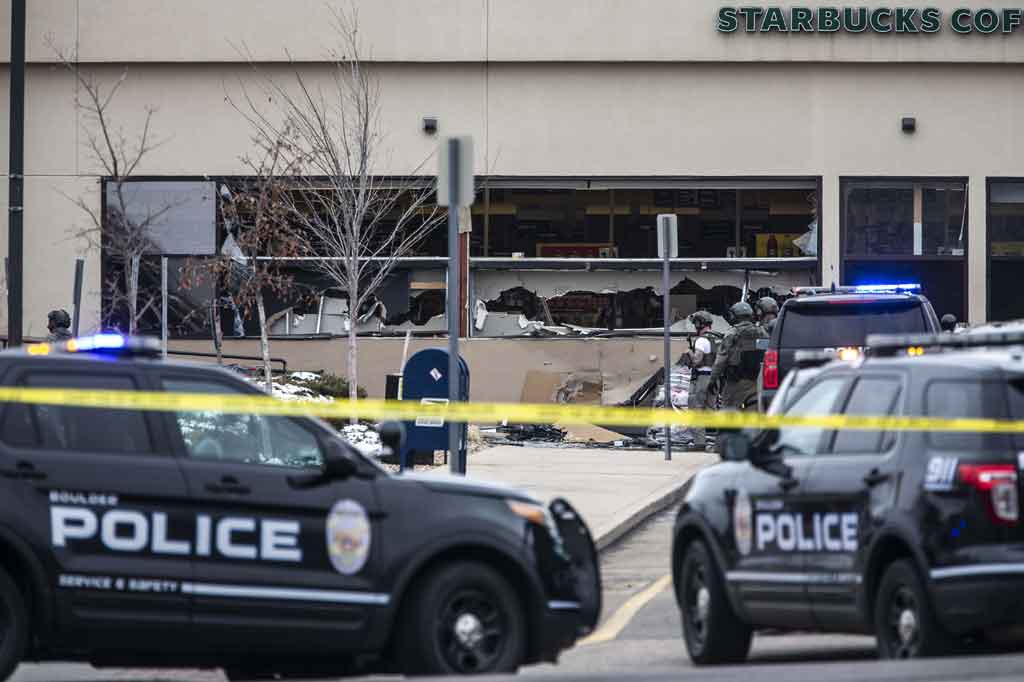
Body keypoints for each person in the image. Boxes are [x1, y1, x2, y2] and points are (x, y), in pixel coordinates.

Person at [710, 301, 768, 413]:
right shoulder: (762, 332)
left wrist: (712, 380)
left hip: (735, 383)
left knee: (728, 416)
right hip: (756, 382)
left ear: (734, 316)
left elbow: (720, 361)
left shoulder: (732, 334)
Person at [686, 310, 717, 451]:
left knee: (695, 409)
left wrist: (689, 353)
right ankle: (717, 441)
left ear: (699, 324)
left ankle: (699, 443)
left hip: (701, 378)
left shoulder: (701, 340)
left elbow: (697, 361)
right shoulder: (716, 339)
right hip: (714, 378)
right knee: (711, 410)